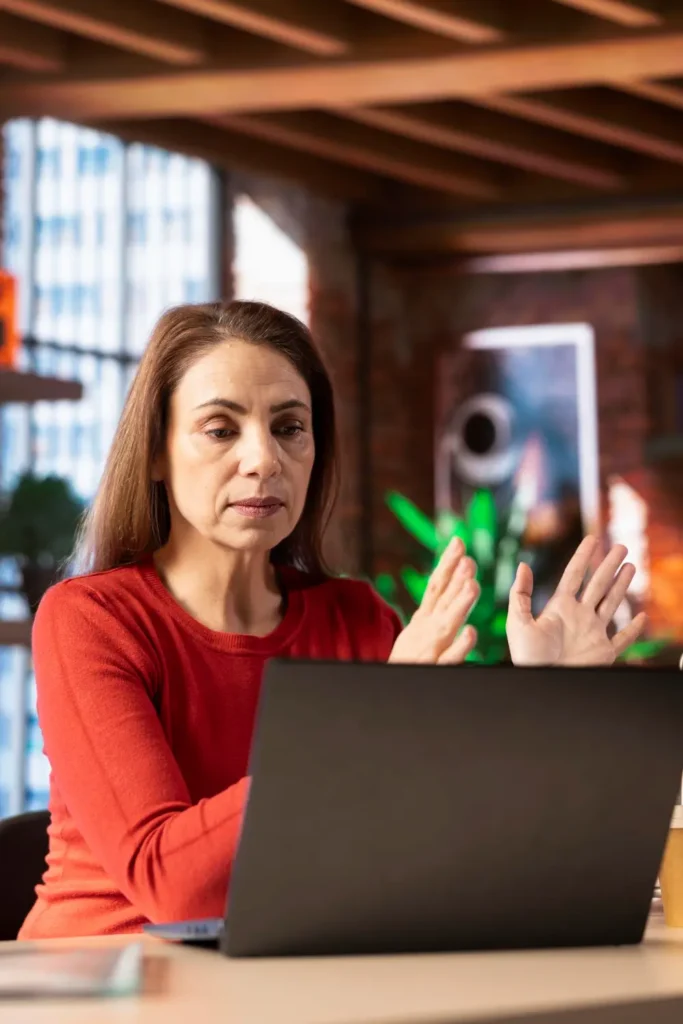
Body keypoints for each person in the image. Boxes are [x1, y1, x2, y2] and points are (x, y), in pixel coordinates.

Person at [19, 301, 646, 940]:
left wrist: (548, 701)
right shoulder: (89, 619)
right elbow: (172, 887)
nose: (263, 459)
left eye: (290, 427)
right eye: (220, 429)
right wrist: (374, 714)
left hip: (296, 973)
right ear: (156, 450)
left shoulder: (355, 619)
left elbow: (459, 854)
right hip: (108, 983)